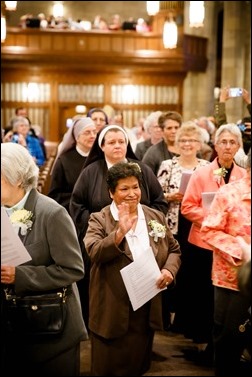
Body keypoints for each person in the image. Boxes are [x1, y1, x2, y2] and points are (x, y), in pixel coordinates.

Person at [84, 161, 181, 376]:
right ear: (111, 192)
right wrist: (119, 234)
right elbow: (95, 252)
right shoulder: (99, 219)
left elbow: (174, 249)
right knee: (107, 368)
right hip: (112, 307)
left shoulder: (155, 217)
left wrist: (168, 271)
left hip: (145, 308)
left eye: (135, 187)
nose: (132, 194)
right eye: (124, 189)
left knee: (138, 366)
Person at [1, 143, 88, 376]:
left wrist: (20, 275)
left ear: (17, 179)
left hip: (50, 329)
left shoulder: (52, 213)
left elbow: (73, 269)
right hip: (14, 326)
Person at [69, 125, 168, 328]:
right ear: (102, 146)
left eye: (121, 141)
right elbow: (77, 205)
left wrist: (144, 223)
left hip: (140, 238)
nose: (117, 146)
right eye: (112, 142)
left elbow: (159, 202)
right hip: (103, 240)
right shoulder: (90, 172)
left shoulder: (142, 169)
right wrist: (105, 226)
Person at [180, 123, 246, 365]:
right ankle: (205, 345)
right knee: (204, 298)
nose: (227, 147)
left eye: (232, 142)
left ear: (238, 146)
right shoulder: (201, 173)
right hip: (203, 243)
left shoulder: (243, 176)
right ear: (215, 145)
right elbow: (187, 207)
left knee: (226, 305)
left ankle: (224, 349)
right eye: (223, 142)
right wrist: (214, 218)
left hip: (231, 250)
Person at [200, 149, 251, 376]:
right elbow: (209, 230)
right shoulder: (229, 194)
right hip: (231, 278)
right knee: (228, 339)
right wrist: (242, 250)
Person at [157, 122, 210, 331]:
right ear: (177, 144)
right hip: (172, 222)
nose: (188, 144)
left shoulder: (206, 167)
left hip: (196, 223)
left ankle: (185, 319)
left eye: (192, 140)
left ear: (200, 144)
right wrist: (172, 196)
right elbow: (156, 196)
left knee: (191, 272)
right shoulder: (167, 166)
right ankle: (168, 315)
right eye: (184, 140)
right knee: (171, 267)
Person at [48, 117, 97, 213]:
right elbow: (54, 195)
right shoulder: (64, 160)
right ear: (76, 137)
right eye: (87, 133)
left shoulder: (99, 159)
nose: (92, 136)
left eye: (94, 132)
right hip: (70, 212)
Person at [142, 111, 182, 175]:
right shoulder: (153, 153)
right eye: (169, 128)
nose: (173, 131)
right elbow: (145, 177)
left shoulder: (189, 148)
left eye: (176, 128)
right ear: (162, 130)